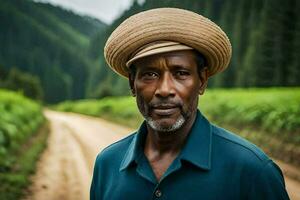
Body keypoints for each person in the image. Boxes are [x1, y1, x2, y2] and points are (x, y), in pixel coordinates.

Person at [90, 8, 290, 200]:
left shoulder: (252, 171)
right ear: (132, 85)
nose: (164, 89)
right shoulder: (107, 164)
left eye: (181, 73)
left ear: (202, 81)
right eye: (150, 74)